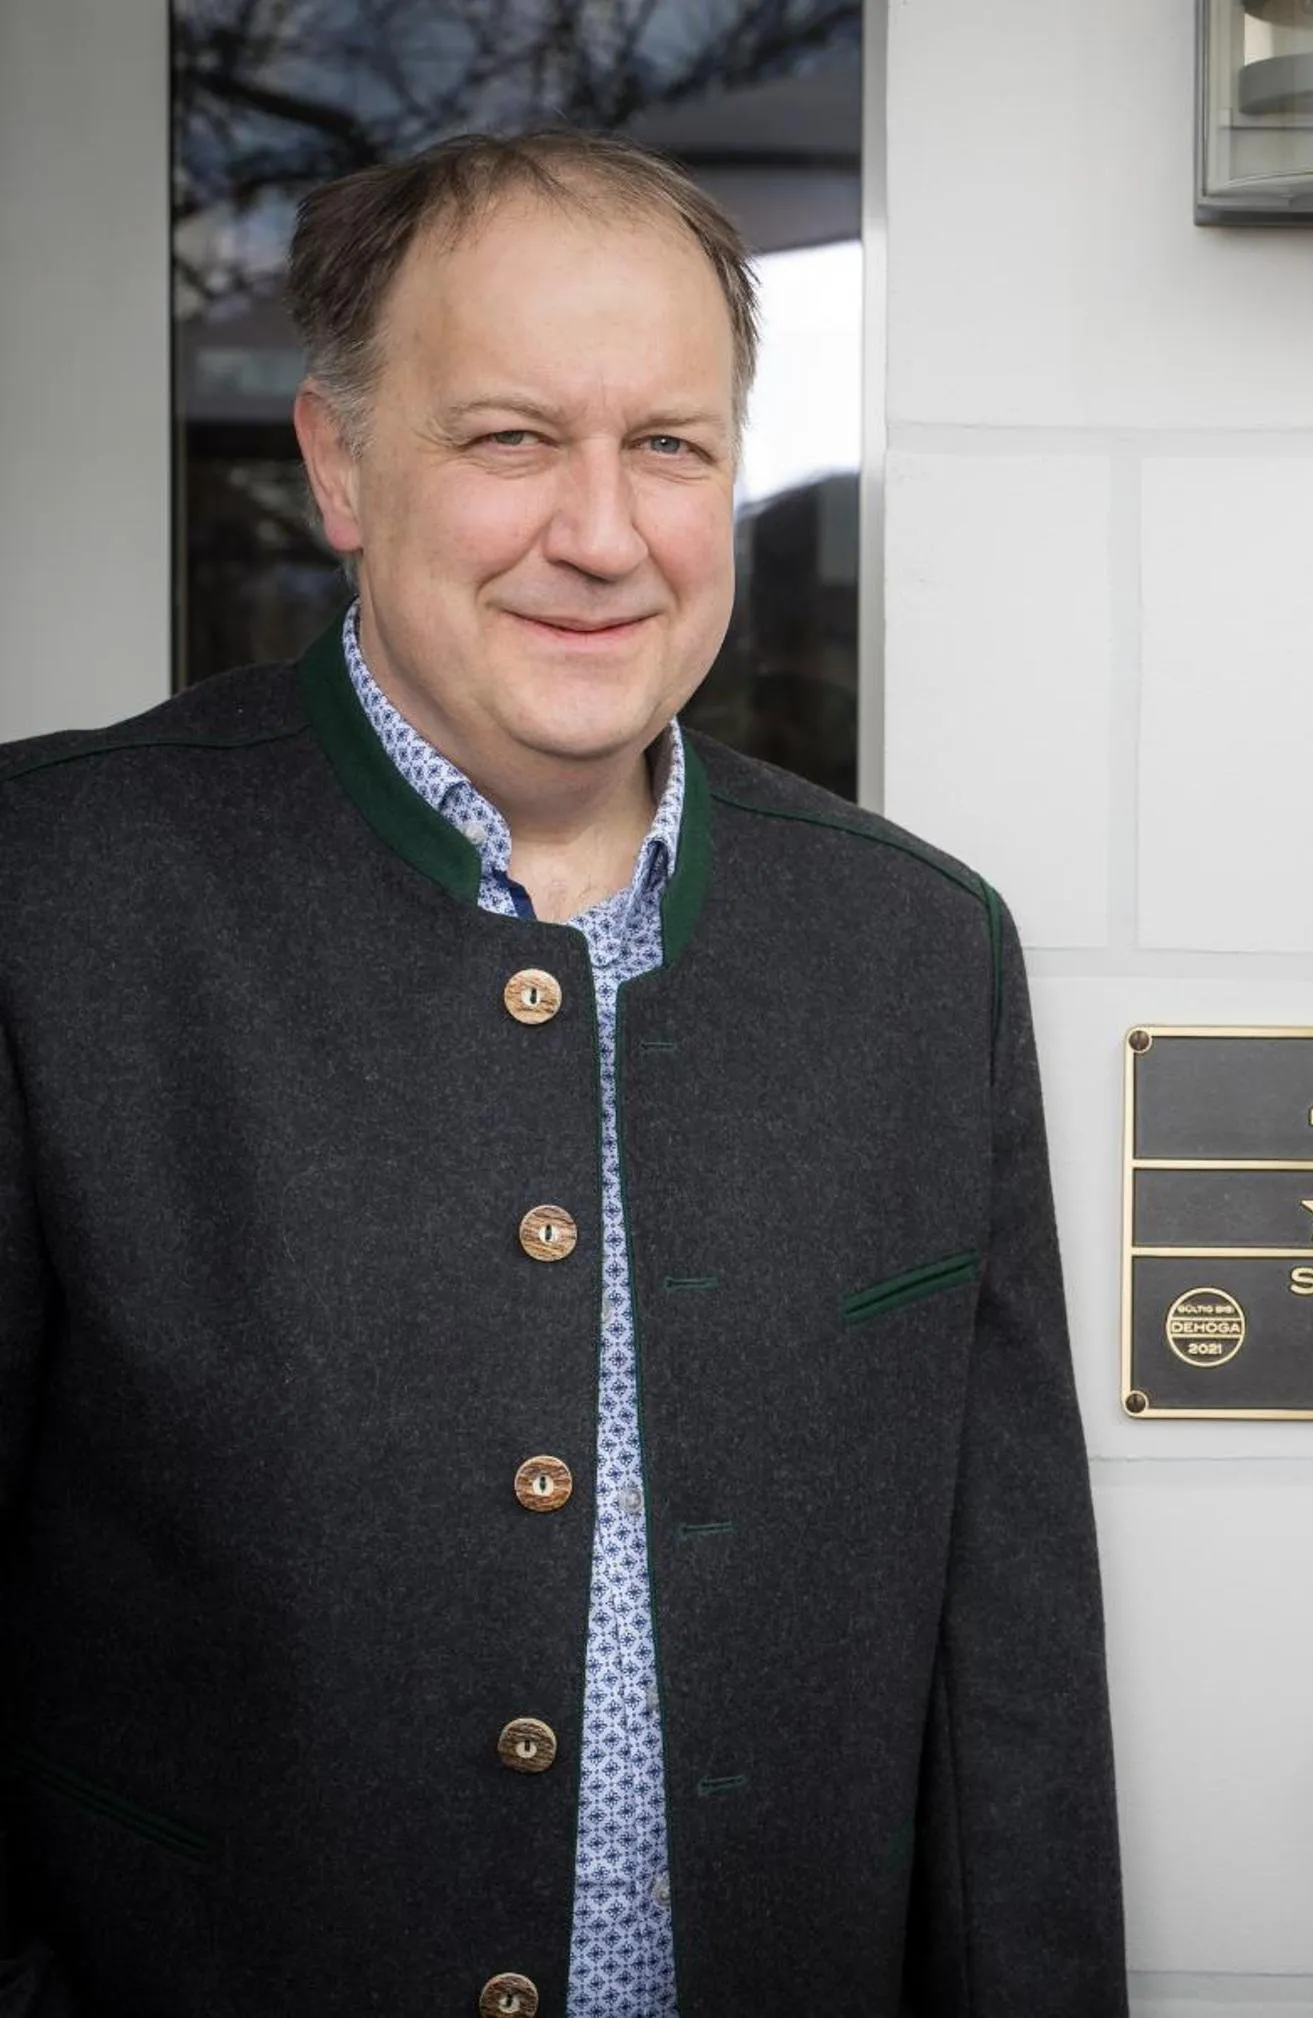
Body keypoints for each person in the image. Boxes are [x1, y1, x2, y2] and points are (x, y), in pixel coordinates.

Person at [0, 132, 1125, 2015]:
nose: (604, 532)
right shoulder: (55, 900)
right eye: (513, 437)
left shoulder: (916, 956)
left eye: (670, 445)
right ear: (341, 465)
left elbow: (1003, 1695)